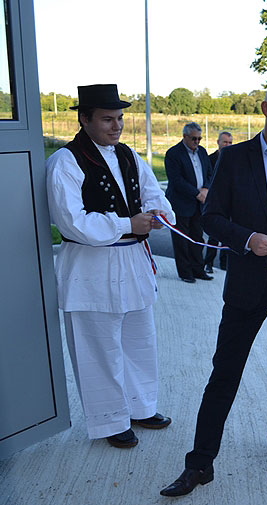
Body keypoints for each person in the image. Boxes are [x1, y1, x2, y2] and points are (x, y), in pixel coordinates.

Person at [160, 80, 267, 497]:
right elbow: (211, 218)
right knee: (225, 372)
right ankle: (201, 462)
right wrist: (247, 239)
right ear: (266, 109)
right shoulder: (234, 159)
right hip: (247, 286)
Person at [46, 83, 175, 448]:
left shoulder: (130, 156)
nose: (116, 126)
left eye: (119, 118)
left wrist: (159, 215)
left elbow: (154, 196)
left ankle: (141, 406)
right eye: (107, 119)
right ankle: (109, 421)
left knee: (140, 339)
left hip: (132, 260)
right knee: (97, 347)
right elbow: (72, 221)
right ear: (84, 119)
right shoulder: (65, 162)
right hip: (90, 265)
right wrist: (125, 224)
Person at [165, 122, 213, 283]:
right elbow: (176, 180)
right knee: (182, 240)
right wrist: (197, 193)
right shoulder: (173, 154)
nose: (197, 142)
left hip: (199, 204)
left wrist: (206, 188)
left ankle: (198, 269)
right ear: (185, 136)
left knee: (197, 238)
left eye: (199, 138)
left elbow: (209, 173)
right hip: (181, 204)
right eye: (194, 138)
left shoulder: (202, 152)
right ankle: (186, 273)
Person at [203, 131, 233, 274]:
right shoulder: (210, 159)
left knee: (227, 235)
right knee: (214, 236)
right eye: (225, 142)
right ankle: (208, 262)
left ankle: (224, 264)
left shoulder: (234, 159)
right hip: (216, 201)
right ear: (218, 142)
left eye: (230, 142)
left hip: (230, 202)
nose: (227, 145)